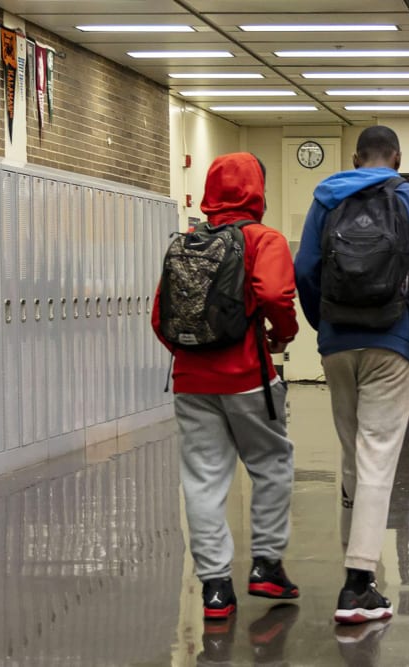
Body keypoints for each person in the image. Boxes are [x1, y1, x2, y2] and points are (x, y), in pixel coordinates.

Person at [294, 125, 409, 625]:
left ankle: (354, 562)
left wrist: (326, 325)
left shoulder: (326, 196)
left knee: (352, 455)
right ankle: (358, 585)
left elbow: (305, 270)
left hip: (337, 342)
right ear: (397, 158)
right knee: (379, 453)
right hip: (393, 339)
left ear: (356, 157)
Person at [151, 152, 300, 621]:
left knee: (202, 479)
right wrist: (286, 332)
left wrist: (192, 351)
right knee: (272, 464)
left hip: (191, 380)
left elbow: (159, 318)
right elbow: (275, 294)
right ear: (258, 190)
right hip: (249, 377)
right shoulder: (263, 239)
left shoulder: (189, 241)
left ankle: (215, 588)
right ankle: (267, 566)